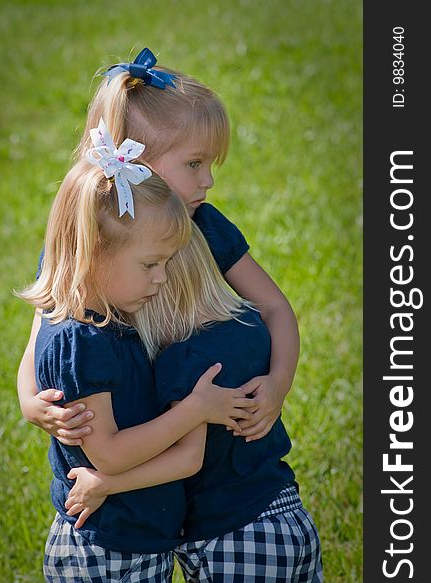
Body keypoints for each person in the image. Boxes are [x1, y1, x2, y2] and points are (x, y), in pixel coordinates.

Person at [17, 48, 300, 447]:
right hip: (127, 434)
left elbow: (274, 306)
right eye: (194, 164)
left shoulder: (204, 225)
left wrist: (278, 383)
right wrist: (30, 403)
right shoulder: (89, 238)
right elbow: (41, 337)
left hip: (189, 432)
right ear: (136, 160)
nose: (208, 181)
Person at [16, 140, 256, 583]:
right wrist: (196, 409)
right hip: (104, 552)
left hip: (131, 541)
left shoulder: (109, 325)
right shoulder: (79, 340)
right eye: (151, 264)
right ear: (93, 254)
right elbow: (107, 454)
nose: (162, 278)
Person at [64, 223, 323, 583]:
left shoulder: (183, 359)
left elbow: (189, 459)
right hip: (288, 514)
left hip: (233, 539)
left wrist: (106, 483)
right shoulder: (250, 323)